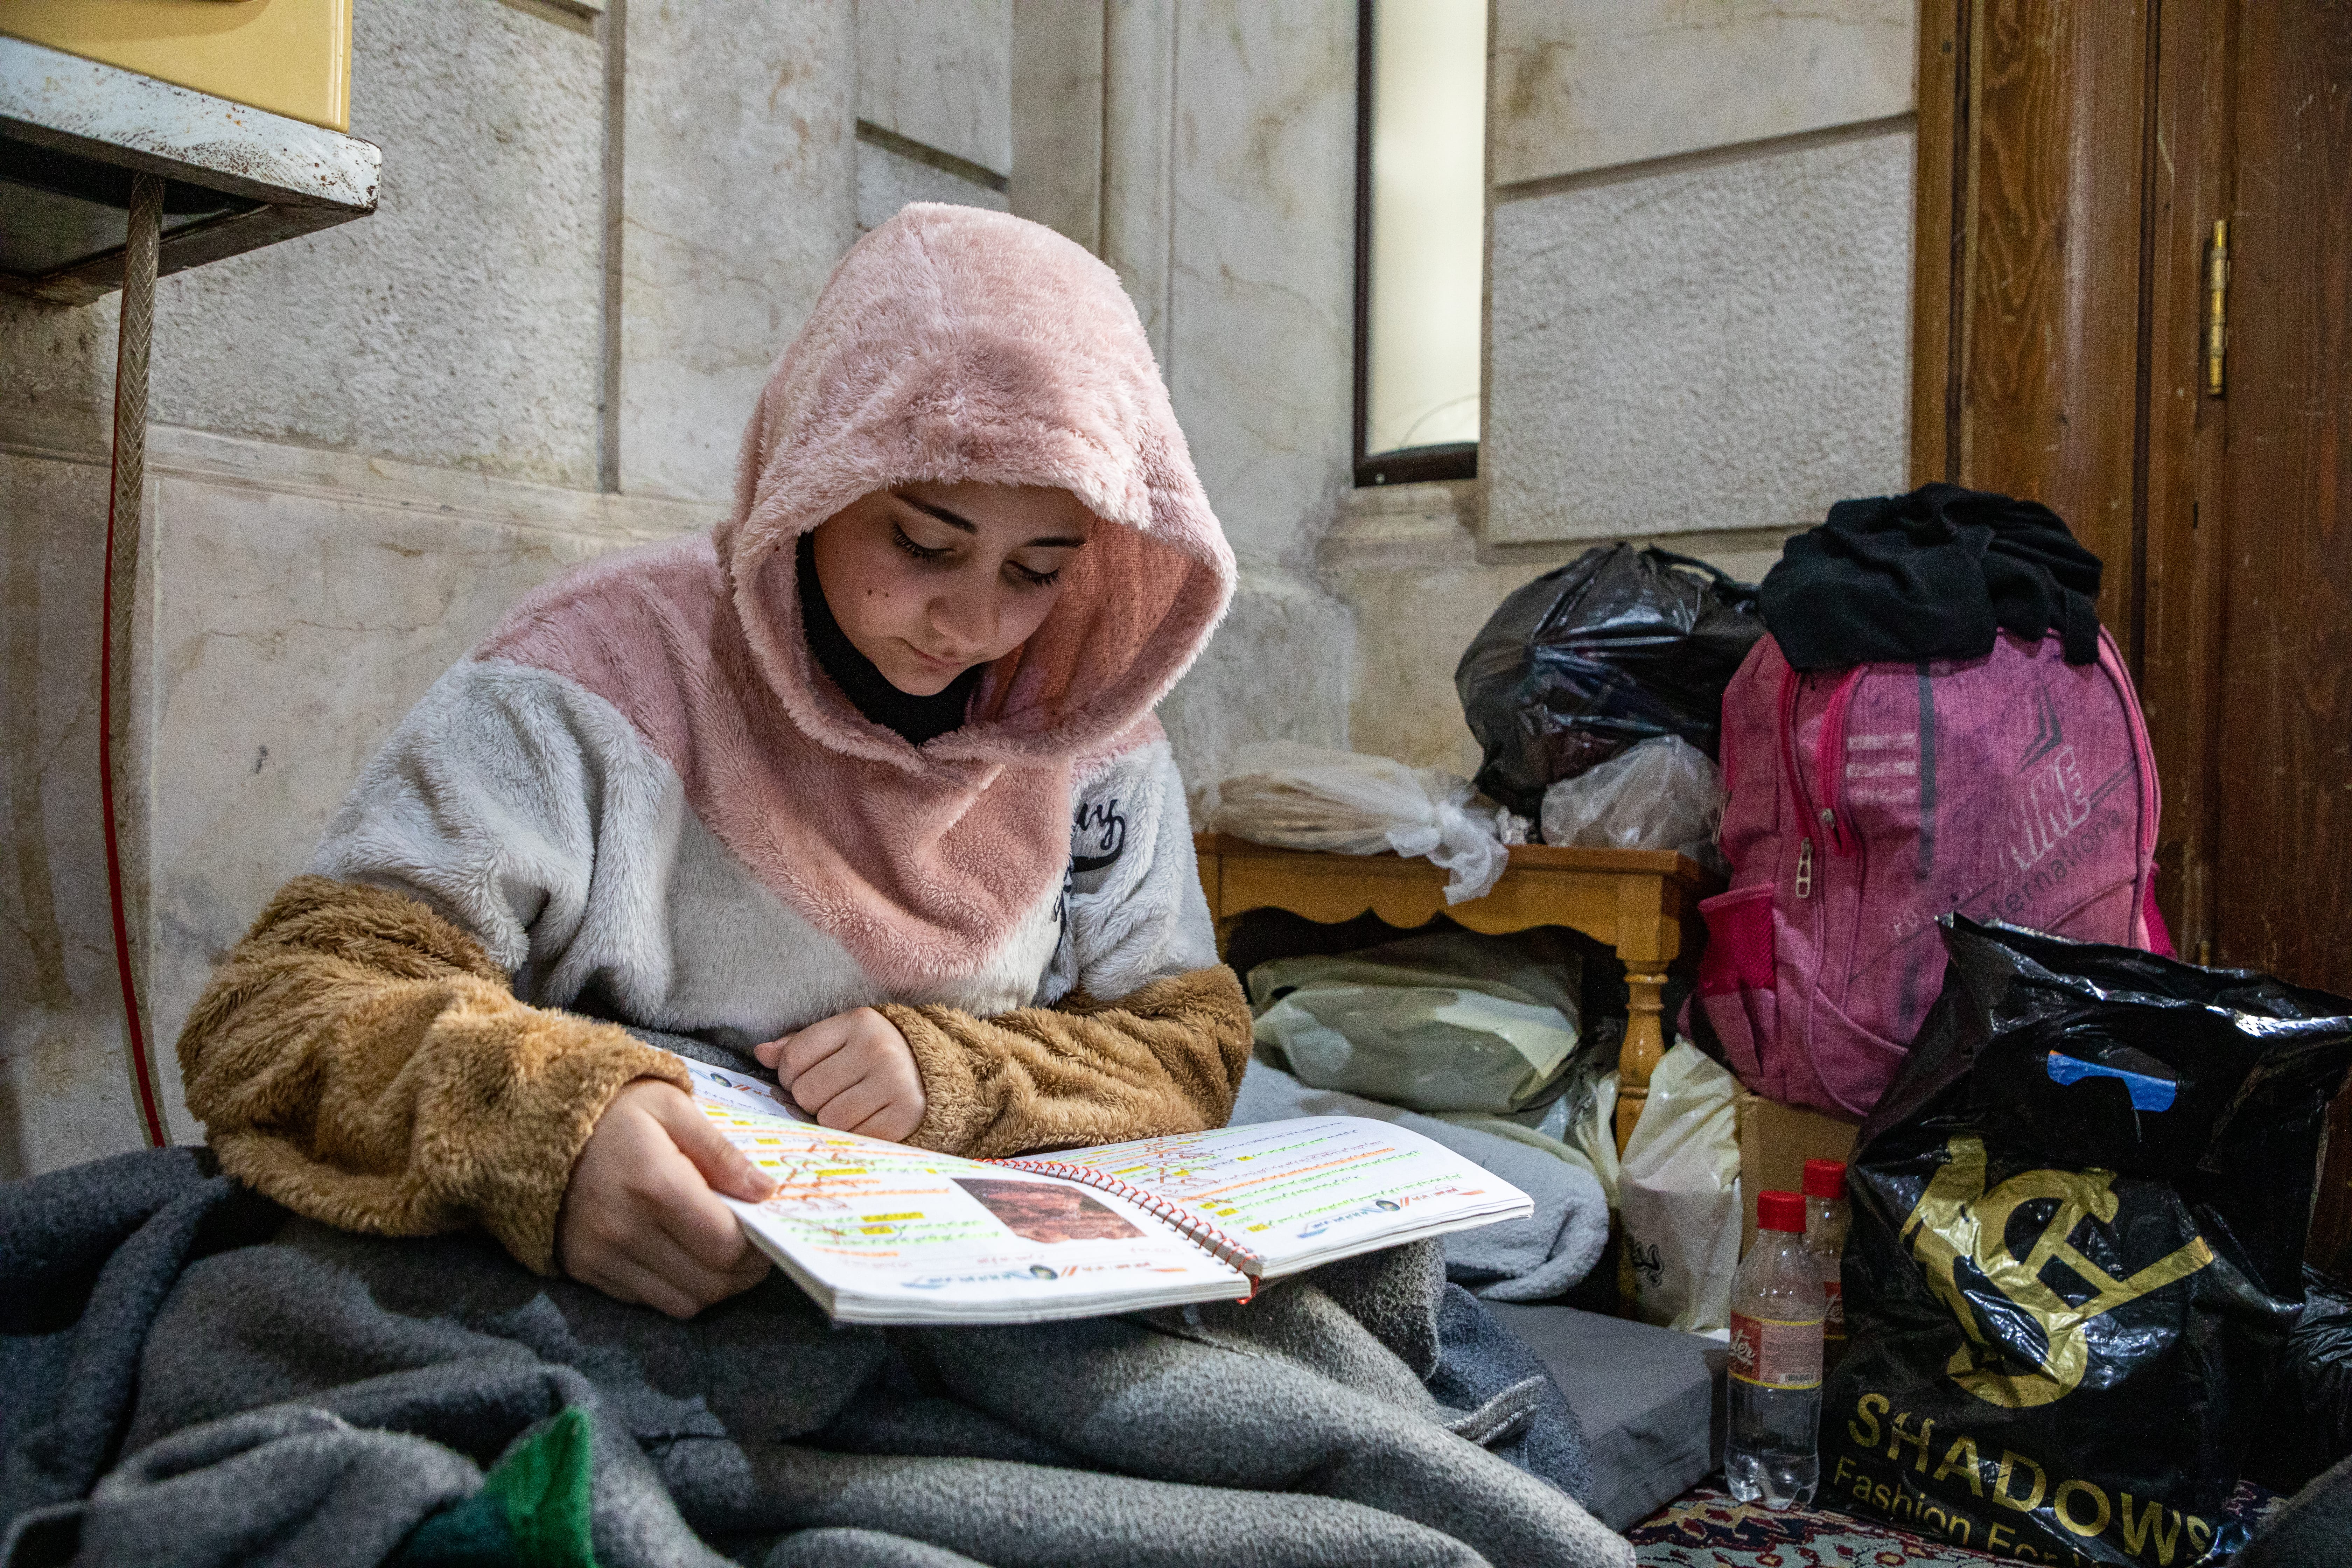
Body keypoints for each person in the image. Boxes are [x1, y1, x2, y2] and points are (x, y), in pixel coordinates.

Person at [174, 203, 1252, 1322]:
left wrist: (958, 1078)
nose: (974, 623)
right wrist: (555, 1131)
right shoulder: (596, 676)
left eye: (1036, 572)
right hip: (624, 1282)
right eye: (925, 545)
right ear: (816, 473)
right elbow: (283, 1009)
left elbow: (1189, 1051)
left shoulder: (1094, 737)